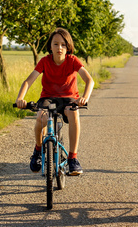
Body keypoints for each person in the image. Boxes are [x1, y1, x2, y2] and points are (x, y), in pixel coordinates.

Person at [16, 28, 94, 176]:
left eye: (63, 44)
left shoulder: (72, 60)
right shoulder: (45, 61)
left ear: (68, 47)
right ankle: (38, 151)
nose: (59, 48)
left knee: (74, 115)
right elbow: (28, 81)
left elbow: (89, 80)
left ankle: (73, 159)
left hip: (69, 98)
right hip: (48, 97)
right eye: (56, 44)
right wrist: (20, 98)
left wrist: (85, 98)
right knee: (41, 118)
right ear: (50, 46)